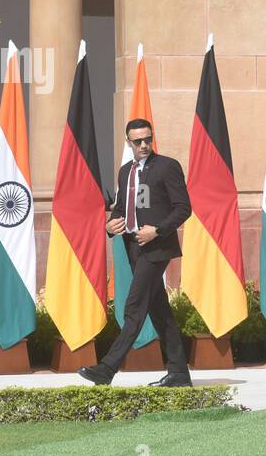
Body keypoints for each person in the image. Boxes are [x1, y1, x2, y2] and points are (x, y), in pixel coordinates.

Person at [80, 118, 192, 387]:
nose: (144, 145)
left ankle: (107, 369)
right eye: (138, 141)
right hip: (132, 246)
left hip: (157, 248)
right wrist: (110, 225)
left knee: (134, 307)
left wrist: (158, 230)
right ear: (128, 142)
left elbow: (183, 207)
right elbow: (121, 208)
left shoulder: (167, 167)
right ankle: (179, 373)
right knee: (158, 309)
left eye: (148, 139)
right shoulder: (125, 172)